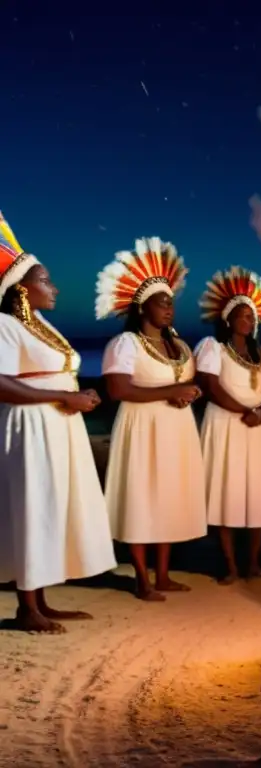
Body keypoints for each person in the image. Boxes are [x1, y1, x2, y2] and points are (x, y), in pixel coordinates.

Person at [0, 212, 116, 633]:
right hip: (30, 427)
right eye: (46, 281)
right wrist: (63, 396)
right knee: (33, 507)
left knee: (53, 506)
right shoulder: (5, 326)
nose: (55, 287)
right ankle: (26, 608)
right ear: (22, 289)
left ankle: (42, 602)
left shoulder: (41, 324)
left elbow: (57, 372)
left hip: (58, 425)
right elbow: (2, 384)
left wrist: (79, 396)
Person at [97, 237, 206, 601]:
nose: (169, 308)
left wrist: (191, 391)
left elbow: (184, 382)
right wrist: (170, 393)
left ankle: (163, 574)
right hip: (142, 428)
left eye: (172, 302)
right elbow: (118, 390)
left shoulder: (181, 347)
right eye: (162, 302)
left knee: (167, 497)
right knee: (142, 498)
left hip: (176, 428)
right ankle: (141, 578)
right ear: (143, 306)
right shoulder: (125, 343)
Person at [195, 267, 261, 583]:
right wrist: (244, 411)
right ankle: (230, 566)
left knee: (257, 492)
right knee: (228, 491)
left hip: (260, 427)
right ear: (227, 320)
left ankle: (252, 563)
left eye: (251, 317)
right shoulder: (214, 348)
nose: (248, 321)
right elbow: (210, 385)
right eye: (241, 316)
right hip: (226, 424)